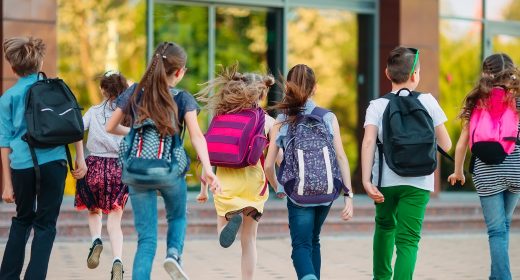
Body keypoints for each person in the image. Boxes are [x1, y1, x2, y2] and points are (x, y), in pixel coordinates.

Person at [106, 42, 219, 280]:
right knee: (177, 216)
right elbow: (198, 136)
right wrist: (208, 169)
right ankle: (173, 254)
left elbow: (111, 126)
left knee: (146, 241)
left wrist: (136, 132)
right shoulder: (182, 98)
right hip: (169, 171)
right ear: (178, 72)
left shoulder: (135, 91)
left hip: (137, 171)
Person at [361, 46, 452, 280]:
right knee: (408, 240)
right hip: (419, 181)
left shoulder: (377, 105)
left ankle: (380, 278)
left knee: (384, 227)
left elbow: (369, 142)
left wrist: (366, 180)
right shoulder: (428, 101)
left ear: (387, 73)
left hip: (385, 181)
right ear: (415, 75)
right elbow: (447, 144)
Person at [0, 37, 87, 279]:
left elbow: (4, 142)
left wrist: (7, 183)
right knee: (46, 225)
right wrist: (80, 158)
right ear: (39, 62)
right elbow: (73, 122)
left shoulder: (8, 97)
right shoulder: (56, 87)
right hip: (54, 163)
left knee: (22, 220)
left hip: (22, 166)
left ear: (12, 66)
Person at [264, 64, 354, 280]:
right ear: (315, 88)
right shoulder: (328, 117)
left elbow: (268, 165)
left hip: (298, 193)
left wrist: (279, 187)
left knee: (301, 246)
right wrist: (348, 195)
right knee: (314, 240)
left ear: (288, 88)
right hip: (326, 190)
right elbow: (341, 157)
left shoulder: (282, 120)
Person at [196, 64, 276, 280]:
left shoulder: (221, 116)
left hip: (224, 182)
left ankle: (230, 222)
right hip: (254, 182)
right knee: (249, 240)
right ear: (261, 93)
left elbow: (209, 151)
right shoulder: (268, 121)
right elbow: (276, 159)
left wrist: (203, 188)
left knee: (222, 231)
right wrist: (279, 183)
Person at [448, 53, 520, 280]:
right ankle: (497, 276)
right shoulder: (518, 100)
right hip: (516, 170)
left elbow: (462, 144)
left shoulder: (476, 100)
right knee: (504, 225)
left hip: (487, 172)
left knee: (496, 230)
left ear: (485, 72)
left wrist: (458, 171)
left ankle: (502, 277)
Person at [75, 71, 130, 280]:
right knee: (115, 220)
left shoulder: (94, 110)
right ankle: (117, 260)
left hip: (93, 166)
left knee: (94, 211)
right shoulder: (126, 113)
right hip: (118, 168)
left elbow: (76, 130)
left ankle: (96, 240)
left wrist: (80, 158)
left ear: (102, 89)